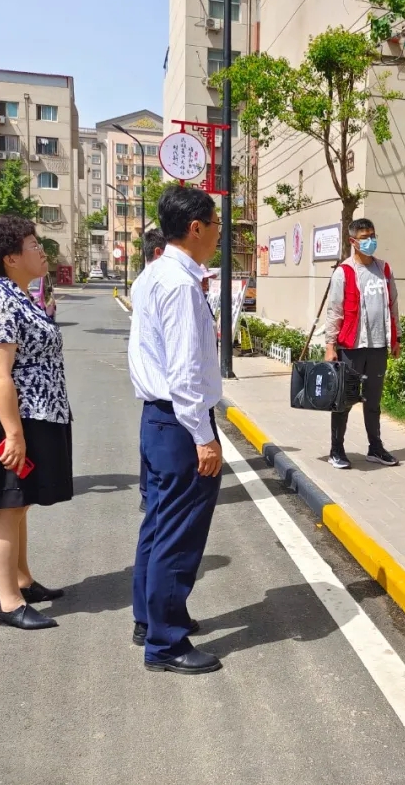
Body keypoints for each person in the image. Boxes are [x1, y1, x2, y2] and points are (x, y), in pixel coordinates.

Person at [128, 186, 223, 674]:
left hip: (159, 417)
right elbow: (184, 373)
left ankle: (151, 619)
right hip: (180, 419)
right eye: (217, 224)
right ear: (196, 228)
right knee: (178, 533)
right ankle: (165, 643)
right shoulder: (181, 285)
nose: (220, 233)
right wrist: (203, 436)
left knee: (159, 523)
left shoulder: (153, 274)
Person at [0, 216, 73, 631]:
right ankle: (9, 603)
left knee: (22, 503)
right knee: (8, 505)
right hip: (15, 419)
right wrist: (14, 434)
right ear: (11, 258)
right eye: (33, 245)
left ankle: (23, 580)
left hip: (38, 413)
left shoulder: (21, 295)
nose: (41, 251)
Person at [324, 218, 400, 470]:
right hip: (351, 347)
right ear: (353, 241)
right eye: (365, 237)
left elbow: (393, 305)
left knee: (373, 402)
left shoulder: (384, 269)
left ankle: (375, 448)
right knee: (344, 401)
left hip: (378, 347)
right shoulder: (344, 272)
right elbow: (334, 311)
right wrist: (330, 346)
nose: (370, 241)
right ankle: (336, 450)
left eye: (373, 236)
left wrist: (396, 339)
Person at [130, 229, 166, 515]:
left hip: (150, 385)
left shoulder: (140, 283)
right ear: (158, 253)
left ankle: (147, 493)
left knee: (150, 447)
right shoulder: (163, 282)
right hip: (164, 386)